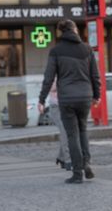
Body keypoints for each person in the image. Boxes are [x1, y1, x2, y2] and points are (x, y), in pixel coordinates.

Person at [38, 19, 100, 184]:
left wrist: (41, 99)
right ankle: (87, 162)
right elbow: (95, 74)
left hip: (66, 98)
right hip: (85, 96)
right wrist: (97, 95)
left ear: (61, 32)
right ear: (74, 30)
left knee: (72, 135)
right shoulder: (87, 49)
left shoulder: (56, 51)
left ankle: (77, 172)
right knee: (83, 131)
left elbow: (49, 77)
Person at [47, 79, 71, 171]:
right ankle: (68, 160)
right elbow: (51, 88)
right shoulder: (53, 72)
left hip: (66, 105)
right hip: (55, 107)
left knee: (68, 131)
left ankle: (61, 158)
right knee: (64, 130)